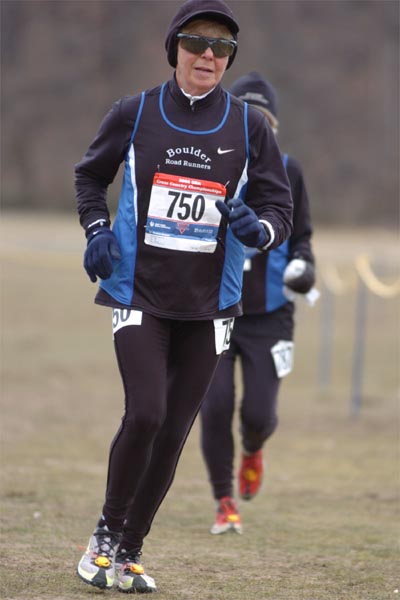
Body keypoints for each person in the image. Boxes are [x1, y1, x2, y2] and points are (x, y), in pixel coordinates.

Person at [74, 1, 293, 592]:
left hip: (211, 303)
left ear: (230, 60)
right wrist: (97, 232)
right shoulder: (135, 111)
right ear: (174, 48)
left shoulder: (248, 126)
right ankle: (104, 533)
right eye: (197, 44)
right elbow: (90, 176)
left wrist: (260, 230)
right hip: (139, 290)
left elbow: (279, 208)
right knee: (145, 413)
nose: (208, 56)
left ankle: (129, 552)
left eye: (221, 48)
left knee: (173, 430)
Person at [200, 71, 316, 535]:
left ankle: (253, 447)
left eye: (261, 121)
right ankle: (224, 500)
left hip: (270, 315)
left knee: (259, 414)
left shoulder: (289, 171)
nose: (254, 129)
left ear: (273, 126)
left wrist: (304, 271)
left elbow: (303, 238)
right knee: (213, 406)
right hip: (214, 308)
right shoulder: (211, 163)